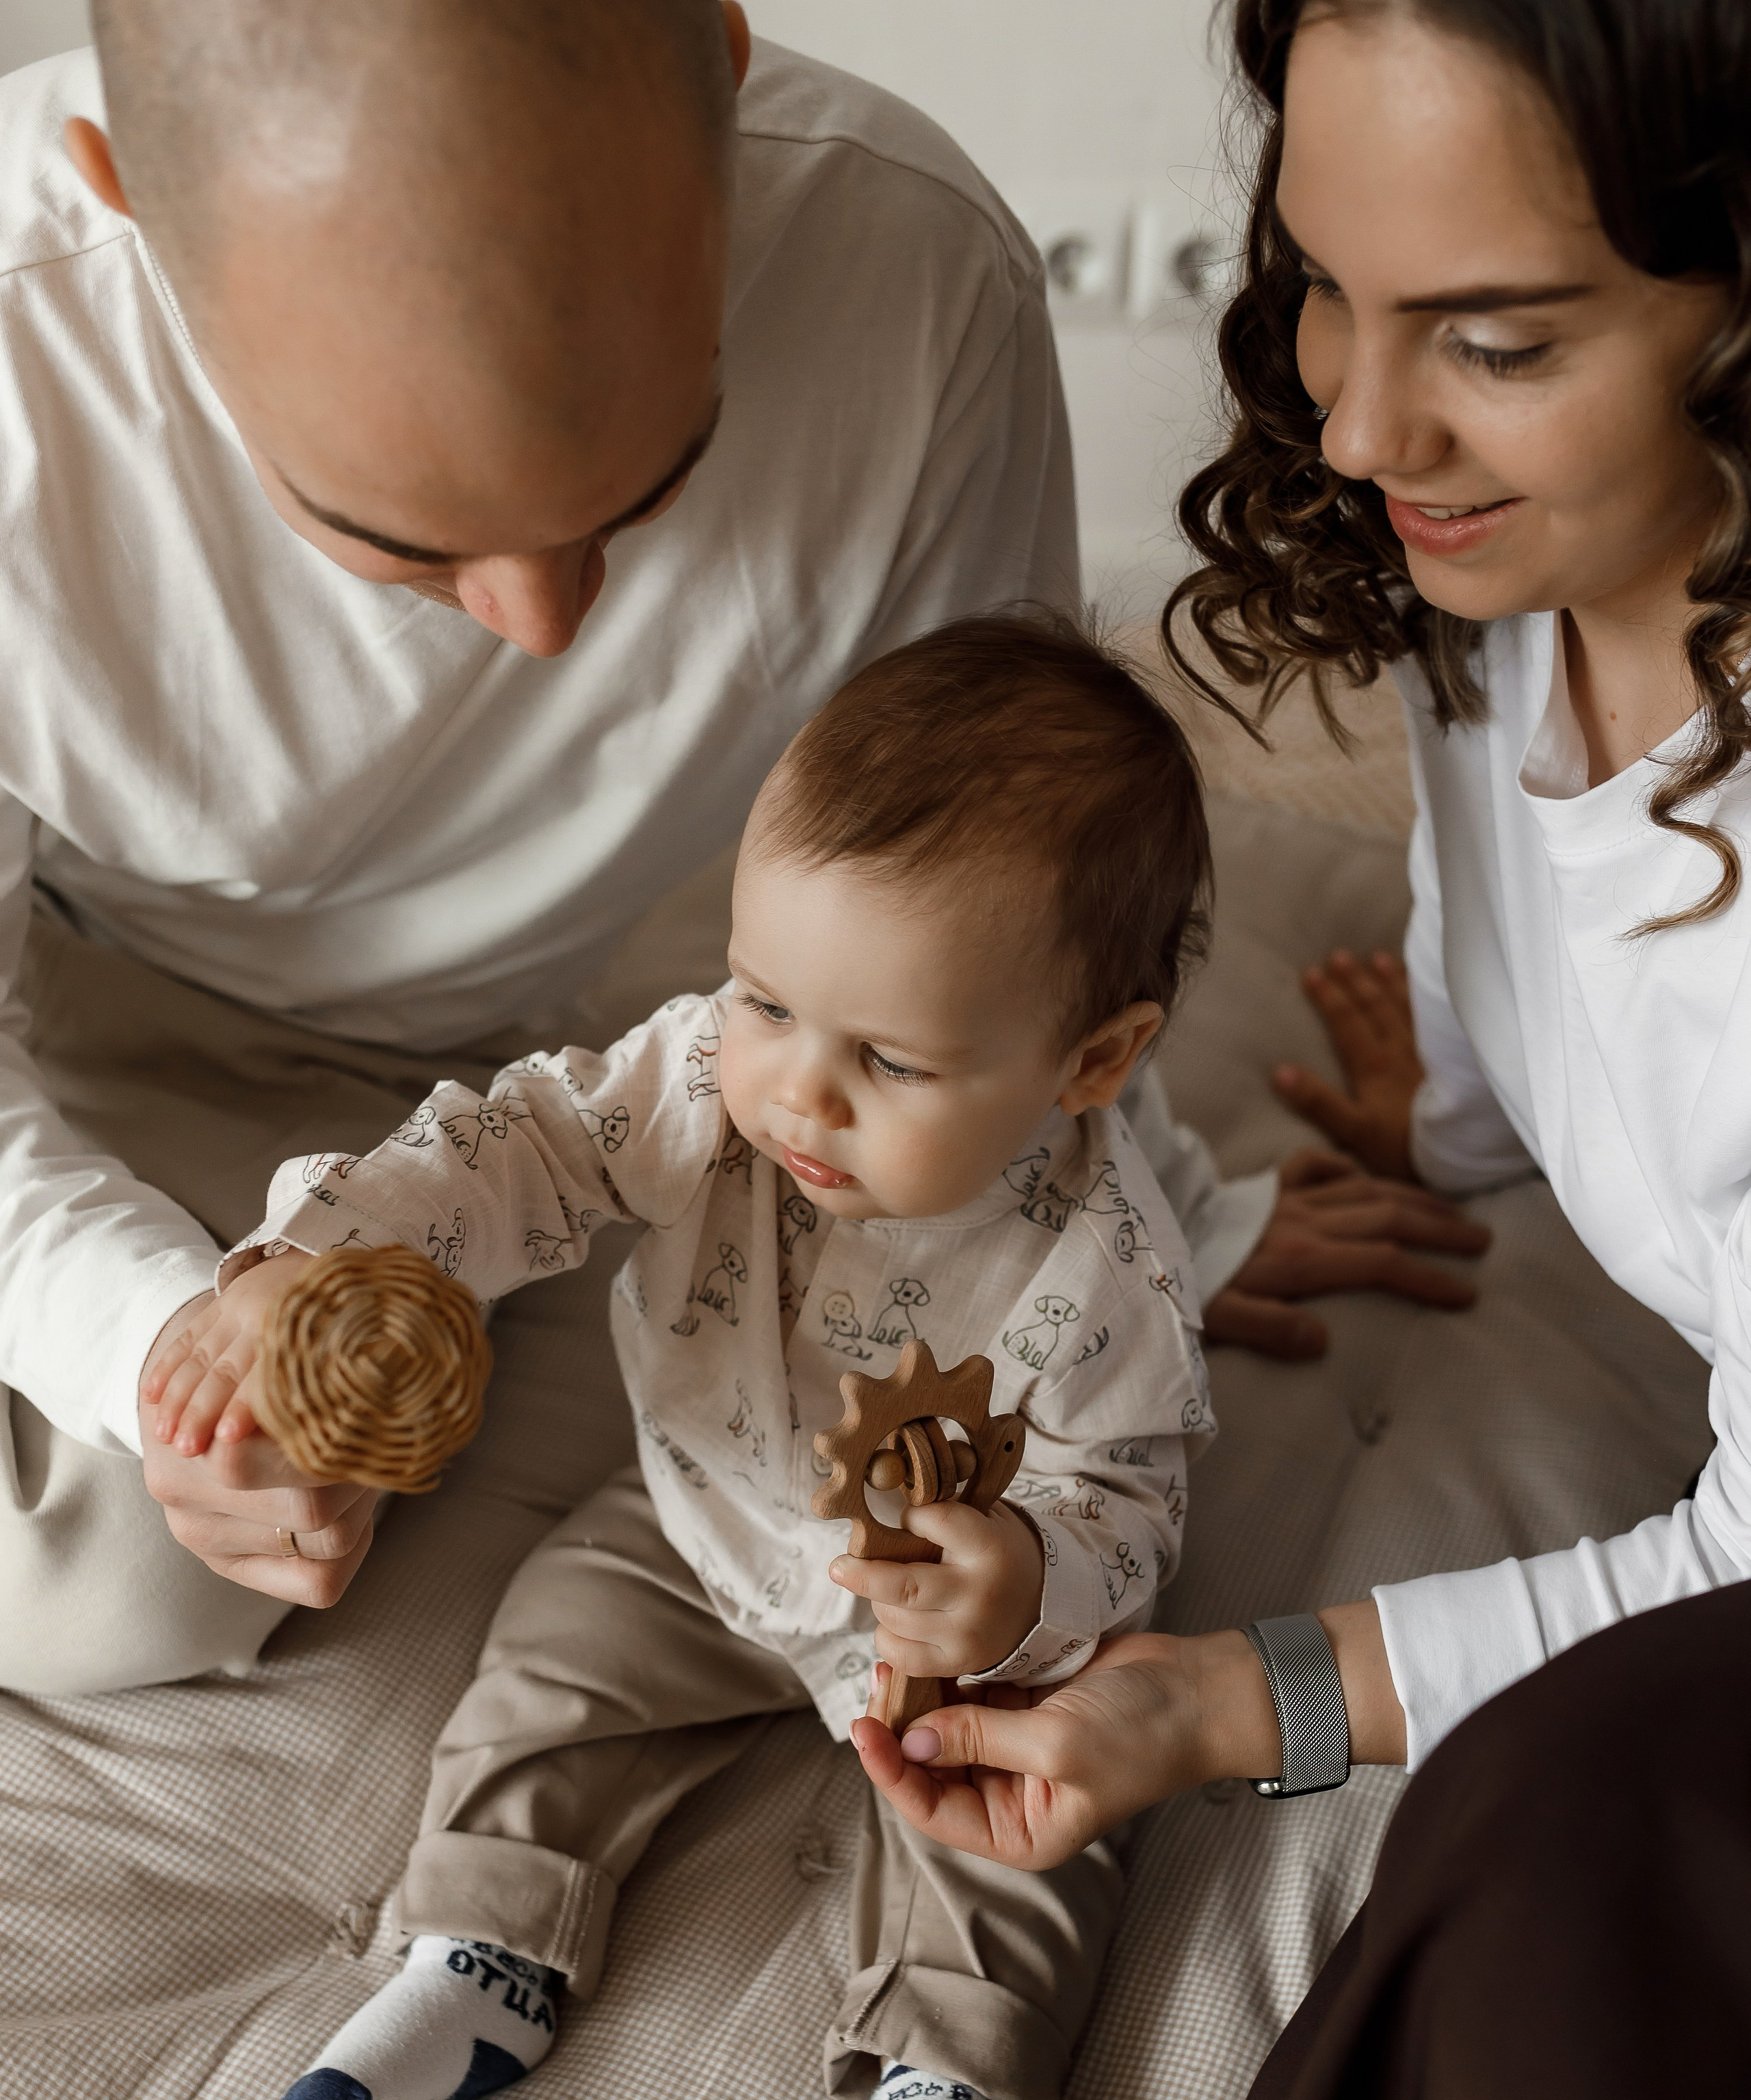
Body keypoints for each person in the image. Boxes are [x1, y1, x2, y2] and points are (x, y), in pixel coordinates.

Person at [0, 0, 1485, 1698]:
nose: (546, 629)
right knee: (126, 1587)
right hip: (81, 998)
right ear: (129, 200)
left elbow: (1000, 880)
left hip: (595, 1031)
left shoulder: (913, 284)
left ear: (724, 73)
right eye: (394, 539)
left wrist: (1159, 1210)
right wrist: (157, 1346)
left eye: (653, 480)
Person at [846, 0, 1751, 2100]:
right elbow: (1525, 945)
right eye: (1329, 283)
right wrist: (1442, 1109)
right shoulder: (1514, 593)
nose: (1354, 425)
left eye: (1499, 338)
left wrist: (1209, 1701)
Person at [147, 614, 1221, 2100]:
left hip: (947, 1637)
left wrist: (1027, 1580)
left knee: (1042, 1829)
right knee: (550, 1657)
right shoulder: (704, 1091)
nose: (795, 1083)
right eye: (766, 997)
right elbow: (517, 1148)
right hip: (703, 1523)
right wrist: (310, 1255)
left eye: (888, 1060)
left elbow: (1132, 1493)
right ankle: (478, 1954)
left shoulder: (1100, 1269)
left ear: (1087, 1063)